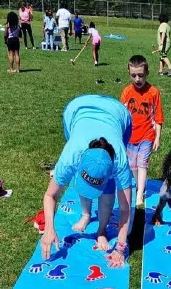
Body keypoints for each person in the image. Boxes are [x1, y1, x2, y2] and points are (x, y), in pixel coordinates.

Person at [41, 95, 133, 268]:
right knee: (86, 178)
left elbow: (125, 208)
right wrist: (49, 229)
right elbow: (50, 195)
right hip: (77, 109)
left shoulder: (120, 162)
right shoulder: (71, 156)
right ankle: (86, 215)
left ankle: (101, 230)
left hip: (118, 113)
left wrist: (120, 248)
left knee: (109, 187)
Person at [120, 55, 164, 207]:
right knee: (132, 165)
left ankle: (139, 194)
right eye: (133, 75)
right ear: (129, 73)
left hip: (147, 135)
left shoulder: (154, 92)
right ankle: (140, 184)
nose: (137, 79)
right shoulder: (126, 92)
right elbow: (121, 115)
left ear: (147, 73)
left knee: (142, 163)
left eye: (141, 75)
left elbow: (158, 117)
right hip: (130, 136)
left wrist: (157, 137)